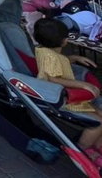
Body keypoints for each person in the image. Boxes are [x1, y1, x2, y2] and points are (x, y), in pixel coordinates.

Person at [33, 18, 102, 165]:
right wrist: (83, 85)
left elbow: (58, 61)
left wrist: (74, 57)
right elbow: (54, 79)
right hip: (62, 97)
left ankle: (97, 145)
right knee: (98, 122)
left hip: (64, 94)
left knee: (101, 114)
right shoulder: (52, 57)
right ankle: (84, 149)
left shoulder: (43, 50)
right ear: (64, 41)